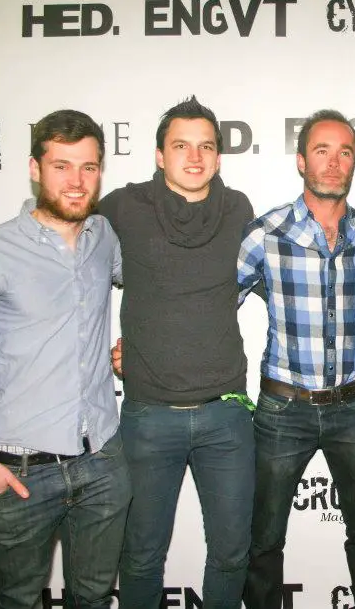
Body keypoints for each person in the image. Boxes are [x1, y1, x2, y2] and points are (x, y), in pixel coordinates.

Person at [0, 109, 130, 609]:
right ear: (34, 168)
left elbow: (149, 292)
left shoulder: (103, 237)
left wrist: (137, 343)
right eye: (62, 166)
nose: (76, 180)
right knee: (16, 601)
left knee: (92, 598)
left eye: (88, 167)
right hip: (19, 473)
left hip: (102, 462)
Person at [99, 96, 255, 609]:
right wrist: (108, 348)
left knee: (232, 554)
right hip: (148, 417)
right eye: (181, 145)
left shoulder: (238, 210)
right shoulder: (123, 206)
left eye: (206, 146)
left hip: (226, 416)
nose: (194, 156)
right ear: (159, 155)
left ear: (218, 156)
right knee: (141, 556)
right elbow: (71, 264)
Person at [238, 109, 355, 609]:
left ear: (354, 163)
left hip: (354, 409)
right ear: (302, 161)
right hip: (284, 410)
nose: (333, 162)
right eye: (322, 151)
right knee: (262, 539)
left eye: (345, 151)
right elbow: (212, 302)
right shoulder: (265, 233)